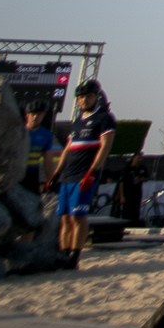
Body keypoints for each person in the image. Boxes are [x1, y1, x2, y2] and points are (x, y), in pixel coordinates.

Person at [49, 79, 116, 268]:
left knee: (78, 216)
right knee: (64, 218)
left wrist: (93, 171)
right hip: (67, 175)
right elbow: (67, 149)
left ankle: (75, 255)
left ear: (96, 97)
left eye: (88, 96)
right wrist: (56, 173)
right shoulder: (78, 121)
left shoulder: (104, 118)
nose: (84, 100)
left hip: (84, 175)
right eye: (80, 97)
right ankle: (63, 253)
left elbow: (105, 146)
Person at [21, 102, 59, 195]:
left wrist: (51, 181)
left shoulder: (46, 135)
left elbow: (48, 162)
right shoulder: (19, 131)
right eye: (32, 114)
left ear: (43, 116)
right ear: (27, 115)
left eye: (38, 115)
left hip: (33, 173)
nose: (35, 117)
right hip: (18, 172)